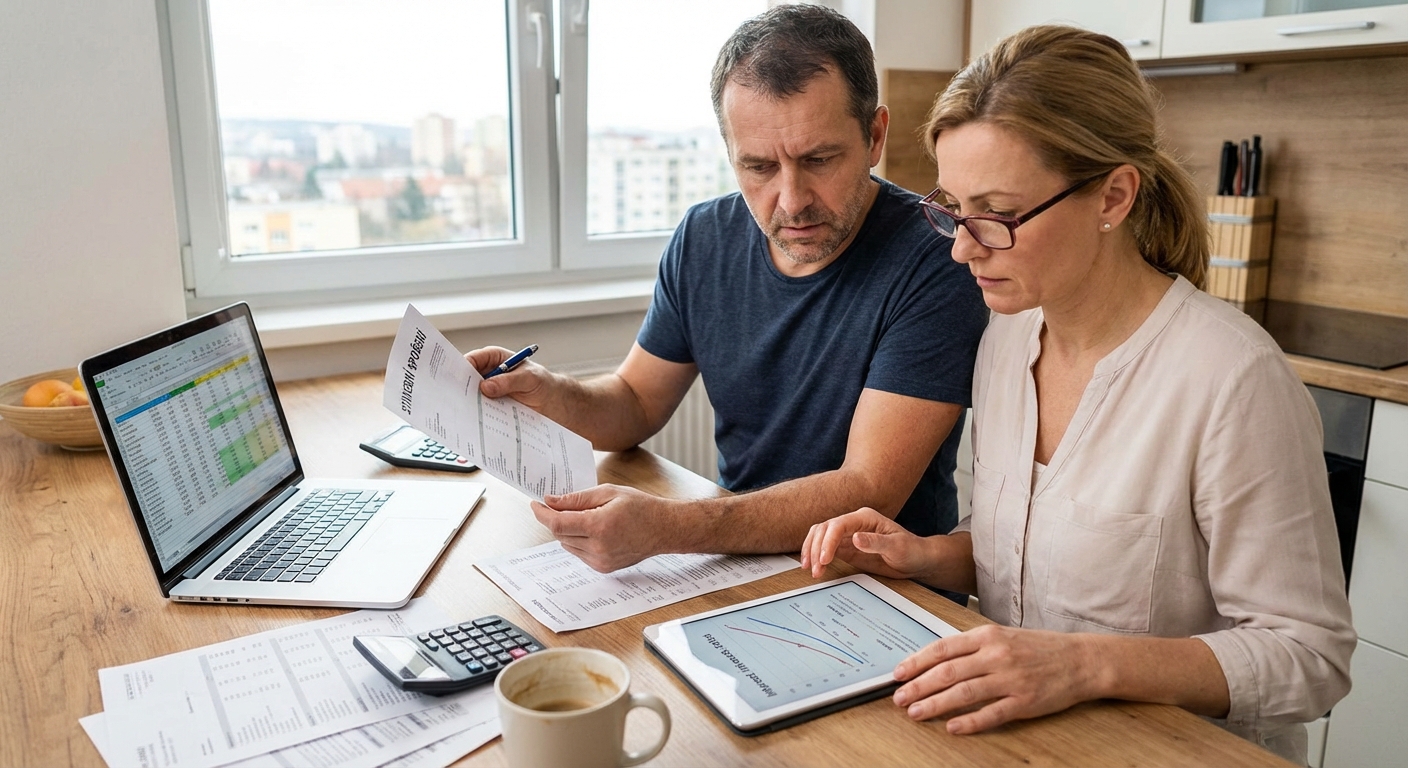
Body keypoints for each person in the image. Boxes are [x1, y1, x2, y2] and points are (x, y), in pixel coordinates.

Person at [800, 25, 1354, 764]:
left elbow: (1311, 659)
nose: (963, 247)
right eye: (954, 210)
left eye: (996, 215)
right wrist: (925, 558)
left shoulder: (1232, 380)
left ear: (1113, 197)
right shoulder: (1007, 339)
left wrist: (1081, 665)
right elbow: (1039, 555)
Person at [466, 5, 987, 574]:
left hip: (882, 587)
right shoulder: (703, 236)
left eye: (818, 159)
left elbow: (868, 489)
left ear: (875, 135)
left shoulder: (939, 255)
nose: (791, 200)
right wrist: (548, 392)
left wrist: (667, 526)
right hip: (736, 562)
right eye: (759, 167)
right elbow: (635, 402)